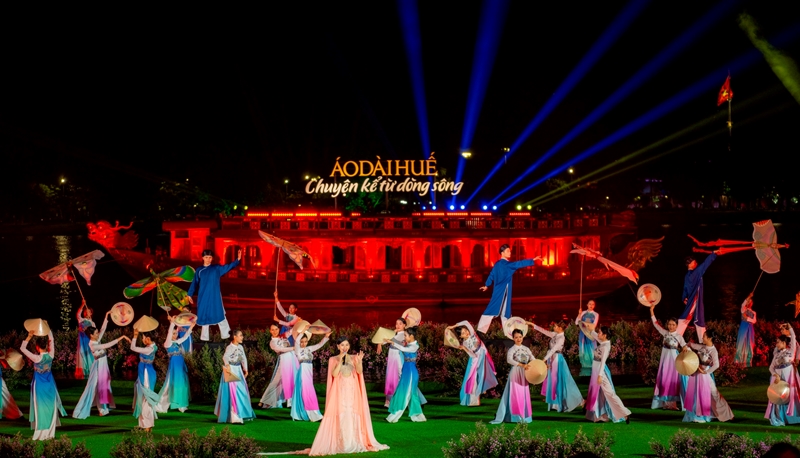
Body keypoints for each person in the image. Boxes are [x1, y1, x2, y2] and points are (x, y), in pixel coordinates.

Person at [308, 336, 389, 455]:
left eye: (346, 345)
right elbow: (334, 374)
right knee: (342, 414)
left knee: (352, 415)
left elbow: (360, 372)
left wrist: (360, 361)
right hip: (340, 391)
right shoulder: (333, 359)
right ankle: (342, 443)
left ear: (349, 346)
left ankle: (354, 441)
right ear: (337, 346)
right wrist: (340, 361)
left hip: (352, 391)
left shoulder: (354, 357)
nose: (344, 347)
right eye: (342, 345)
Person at [73, 310, 130, 418]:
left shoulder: (96, 339)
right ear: (91, 335)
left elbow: (103, 329)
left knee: (103, 386)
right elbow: (107, 345)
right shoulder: (92, 344)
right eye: (96, 333)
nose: (98, 334)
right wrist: (121, 338)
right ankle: (100, 409)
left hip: (103, 365)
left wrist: (106, 316)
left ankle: (103, 408)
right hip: (98, 366)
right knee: (98, 386)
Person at [477, 245, 541, 333]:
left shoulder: (497, 264)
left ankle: (505, 332)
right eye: (508, 251)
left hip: (502, 291)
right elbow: (519, 263)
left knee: (504, 311)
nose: (510, 252)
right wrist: (533, 260)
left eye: (510, 251)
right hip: (502, 290)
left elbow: (491, 275)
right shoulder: (507, 265)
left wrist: (486, 285)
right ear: (502, 253)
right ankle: (481, 331)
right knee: (494, 309)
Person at [20, 328, 66, 440]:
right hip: (50, 386)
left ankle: (40, 434)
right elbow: (52, 339)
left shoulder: (36, 358)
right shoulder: (51, 356)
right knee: (51, 408)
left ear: (37, 347)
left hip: (39, 387)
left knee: (40, 409)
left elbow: (22, 348)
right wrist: (48, 328)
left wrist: (29, 337)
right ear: (46, 346)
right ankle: (50, 434)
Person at [529, 319, 584, 412]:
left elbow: (554, 349)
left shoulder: (561, 338)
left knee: (556, 380)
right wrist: (533, 325)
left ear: (560, 328)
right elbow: (544, 331)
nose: (553, 327)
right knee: (553, 380)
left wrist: (544, 359)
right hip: (552, 358)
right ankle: (554, 402)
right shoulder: (555, 334)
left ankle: (562, 402)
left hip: (557, 359)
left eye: (555, 326)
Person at [187, 249, 241, 341]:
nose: (208, 259)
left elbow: (228, 267)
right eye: (206, 257)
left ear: (212, 258)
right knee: (204, 314)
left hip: (214, 296)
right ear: (202, 258)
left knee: (219, 313)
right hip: (203, 296)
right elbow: (194, 283)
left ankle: (226, 335)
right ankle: (204, 339)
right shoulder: (199, 270)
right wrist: (189, 294)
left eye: (210, 257)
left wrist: (237, 260)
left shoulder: (216, 268)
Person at [682, 329, 734, 423]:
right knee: (696, 395)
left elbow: (716, 365)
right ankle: (697, 415)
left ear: (710, 338)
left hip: (705, 376)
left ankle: (726, 414)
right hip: (697, 374)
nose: (702, 338)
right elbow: (689, 344)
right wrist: (685, 346)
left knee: (714, 395)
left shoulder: (713, 351)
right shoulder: (701, 347)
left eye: (704, 336)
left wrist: (706, 372)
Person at [582, 324, 631, 423]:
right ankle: (599, 415)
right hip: (596, 370)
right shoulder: (603, 342)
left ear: (604, 335)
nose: (598, 333)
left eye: (600, 332)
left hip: (600, 372)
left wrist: (600, 375)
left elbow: (603, 362)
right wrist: (586, 326)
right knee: (597, 393)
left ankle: (625, 413)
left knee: (610, 393)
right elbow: (593, 334)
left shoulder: (606, 346)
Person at [446, 320, 498, 406]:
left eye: (465, 330)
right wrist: (464, 348)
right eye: (463, 333)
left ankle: (483, 387)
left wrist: (453, 326)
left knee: (487, 372)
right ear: (460, 336)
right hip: (476, 358)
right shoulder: (465, 343)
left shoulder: (473, 334)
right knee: (473, 378)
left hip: (483, 353)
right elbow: (472, 354)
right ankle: (474, 399)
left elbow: (466, 322)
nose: (466, 333)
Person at [490, 328, 534, 424]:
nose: (518, 339)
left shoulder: (526, 349)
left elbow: (533, 359)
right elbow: (509, 360)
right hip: (516, 372)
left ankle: (525, 416)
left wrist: (541, 366)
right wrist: (521, 365)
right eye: (516, 337)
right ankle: (515, 417)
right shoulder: (512, 349)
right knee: (516, 394)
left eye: (520, 337)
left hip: (525, 373)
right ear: (513, 338)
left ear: (523, 337)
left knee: (523, 394)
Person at [649, 305, 687, 410]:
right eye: (669, 324)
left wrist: (685, 350)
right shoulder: (665, 333)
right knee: (664, 379)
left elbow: (685, 346)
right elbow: (656, 324)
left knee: (673, 380)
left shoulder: (679, 336)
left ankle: (672, 404)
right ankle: (664, 404)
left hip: (674, 360)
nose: (670, 326)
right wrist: (652, 311)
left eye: (673, 324)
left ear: (676, 326)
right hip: (664, 360)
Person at [386, 326, 426, 423]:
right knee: (410, 394)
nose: (404, 337)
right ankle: (418, 416)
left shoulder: (414, 346)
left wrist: (392, 342)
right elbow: (402, 348)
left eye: (406, 335)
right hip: (406, 372)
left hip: (411, 373)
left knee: (405, 394)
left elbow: (403, 349)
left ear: (412, 336)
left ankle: (394, 416)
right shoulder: (408, 345)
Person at [215, 329, 256, 423]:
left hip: (238, 370)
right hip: (231, 370)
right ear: (235, 336)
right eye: (240, 335)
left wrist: (245, 369)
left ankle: (242, 413)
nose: (242, 337)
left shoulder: (240, 347)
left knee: (242, 392)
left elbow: (243, 358)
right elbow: (225, 357)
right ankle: (235, 417)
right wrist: (228, 366)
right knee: (234, 393)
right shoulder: (230, 347)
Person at [156, 317, 195, 413]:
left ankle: (181, 404)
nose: (175, 334)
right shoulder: (167, 343)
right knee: (171, 384)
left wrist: (191, 327)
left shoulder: (177, 342)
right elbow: (169, 333)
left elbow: (185, 337)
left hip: (180, 365)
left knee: (182, 384)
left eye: (176, 333)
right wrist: (172, 323)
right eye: (174, 333)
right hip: (174, 366)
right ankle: (162, 404)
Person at [291, 331, 330, 422]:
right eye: (302, 342)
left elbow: (319, 345)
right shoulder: (297, 350)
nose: (303, 343)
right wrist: (302, 331)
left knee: (309, 391)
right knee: (307, 391)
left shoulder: (309, 349)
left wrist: (326, 337)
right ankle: (313, 415)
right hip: (303, 370)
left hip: (309, 371)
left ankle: (313, 414)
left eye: (305, 341)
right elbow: (296, 342)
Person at [679, 253, 717, 341]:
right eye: (694, 262)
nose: (696, 264)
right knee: (689, 320)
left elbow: (685, 288)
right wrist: (714, 254)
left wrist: (684, 297)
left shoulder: (687, 275)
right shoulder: (696, 273)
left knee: (697, 321)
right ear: (690, 264)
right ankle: (673, 341)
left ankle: (703, 344)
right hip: (694, 300)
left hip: (693, 300)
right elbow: (705, 264)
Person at [259, 323, 298, 409]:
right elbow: (281, 349)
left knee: (293, 379)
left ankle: (291, 401)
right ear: (270, 331)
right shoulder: (272, 342)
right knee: (276, 381)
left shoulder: (283, 336)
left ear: (279, 329)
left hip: (292, 359)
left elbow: (292, 330)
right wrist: (292, 348)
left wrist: (300, 324)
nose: (275, 331)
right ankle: (264, 400)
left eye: (276, 329)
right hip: (284, 360)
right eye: (272, 330)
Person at [766, 329, 800, 426]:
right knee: (777, 396)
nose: (776, 344)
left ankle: (791, 418)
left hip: (788, 374)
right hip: (777, 376)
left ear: (784, 343)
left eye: (778, 342)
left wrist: (790, 329)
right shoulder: (776, 354)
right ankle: (779, 417)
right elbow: (771, 367)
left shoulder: (790, 351)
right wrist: (775, 375)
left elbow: (793, 339)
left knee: (789, 394)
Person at [130, 329, 159, 432]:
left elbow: (133, 347)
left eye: (143, 338)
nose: (142, 339)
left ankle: (147, 424)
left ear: (148, 338)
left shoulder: (149, 349)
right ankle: (144, 424)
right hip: (145, 373)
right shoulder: (152, 346)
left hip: (146, 375)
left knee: (145, 398)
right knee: (141, 397)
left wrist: (135, 336)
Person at [576, 300, 599, 376]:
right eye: (590, 304)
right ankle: (585, 366)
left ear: (594, 306)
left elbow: (594, 325)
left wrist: (584, 325)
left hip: (590, 333)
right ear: (587, 305)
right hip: (583, 334)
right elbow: (577, 322)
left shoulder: (596, 314)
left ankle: (594, 366)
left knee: (591, 349)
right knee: (583, 349)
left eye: (593, 304)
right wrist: (579, 314)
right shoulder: (583, 313)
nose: (591, 305)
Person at [75, 300, 95, 379]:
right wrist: (82, 304)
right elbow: (78, 314)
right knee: (82, 355)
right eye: (85, 311)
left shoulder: (92, 323)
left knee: (89, 356)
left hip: (89, 341)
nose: (87, 313)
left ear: (91, 313)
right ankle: (83, 373)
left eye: (88, 312)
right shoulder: (81, 320)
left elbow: (94, 334)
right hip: (82, 341)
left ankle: (91, 371)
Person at [735, 293, 756, 367]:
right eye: (747, 301)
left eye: (749, 301)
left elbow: (754, 321)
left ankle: (748, 360)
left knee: (749, 343)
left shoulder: (753, 312)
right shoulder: (743, 309)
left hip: (750, 328)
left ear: (752, 303)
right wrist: (749, 296)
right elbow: (743, 304)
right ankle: (738, 359)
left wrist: (746, 318)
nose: (748, 302)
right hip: (743, 327)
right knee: (741, 341)